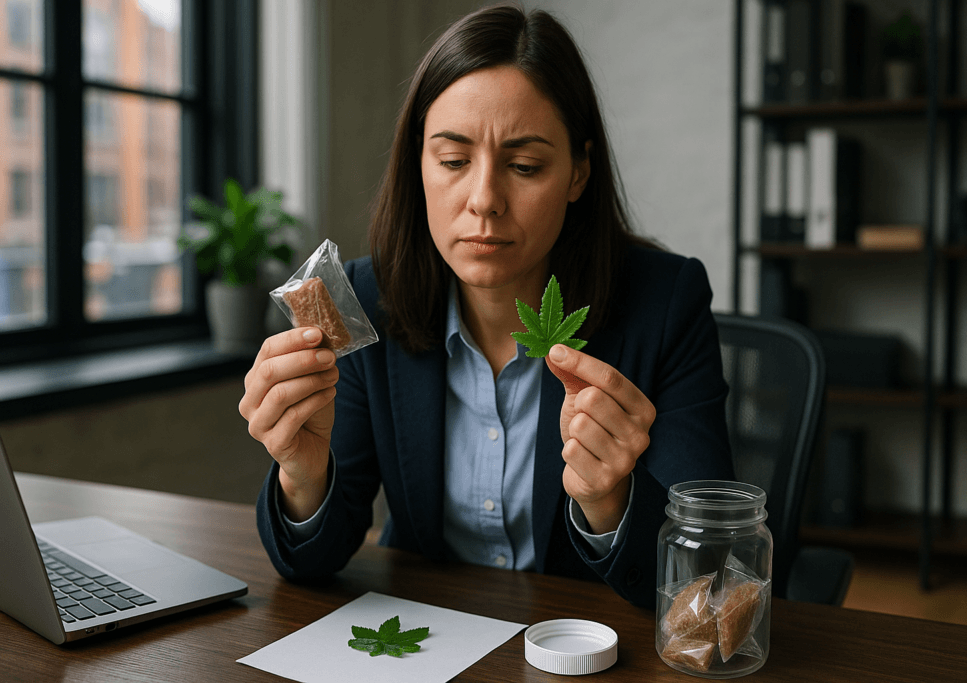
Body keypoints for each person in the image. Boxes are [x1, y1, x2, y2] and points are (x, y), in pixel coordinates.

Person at [238, 3, 733, 610]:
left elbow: (710, 574)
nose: (484, 200)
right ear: (417, 162)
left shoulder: (665, 303)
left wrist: (611, 502)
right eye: (452, 161)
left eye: (525, 166)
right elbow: (316, 562)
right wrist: (304, 477)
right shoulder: (364, 301)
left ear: (578, 171)